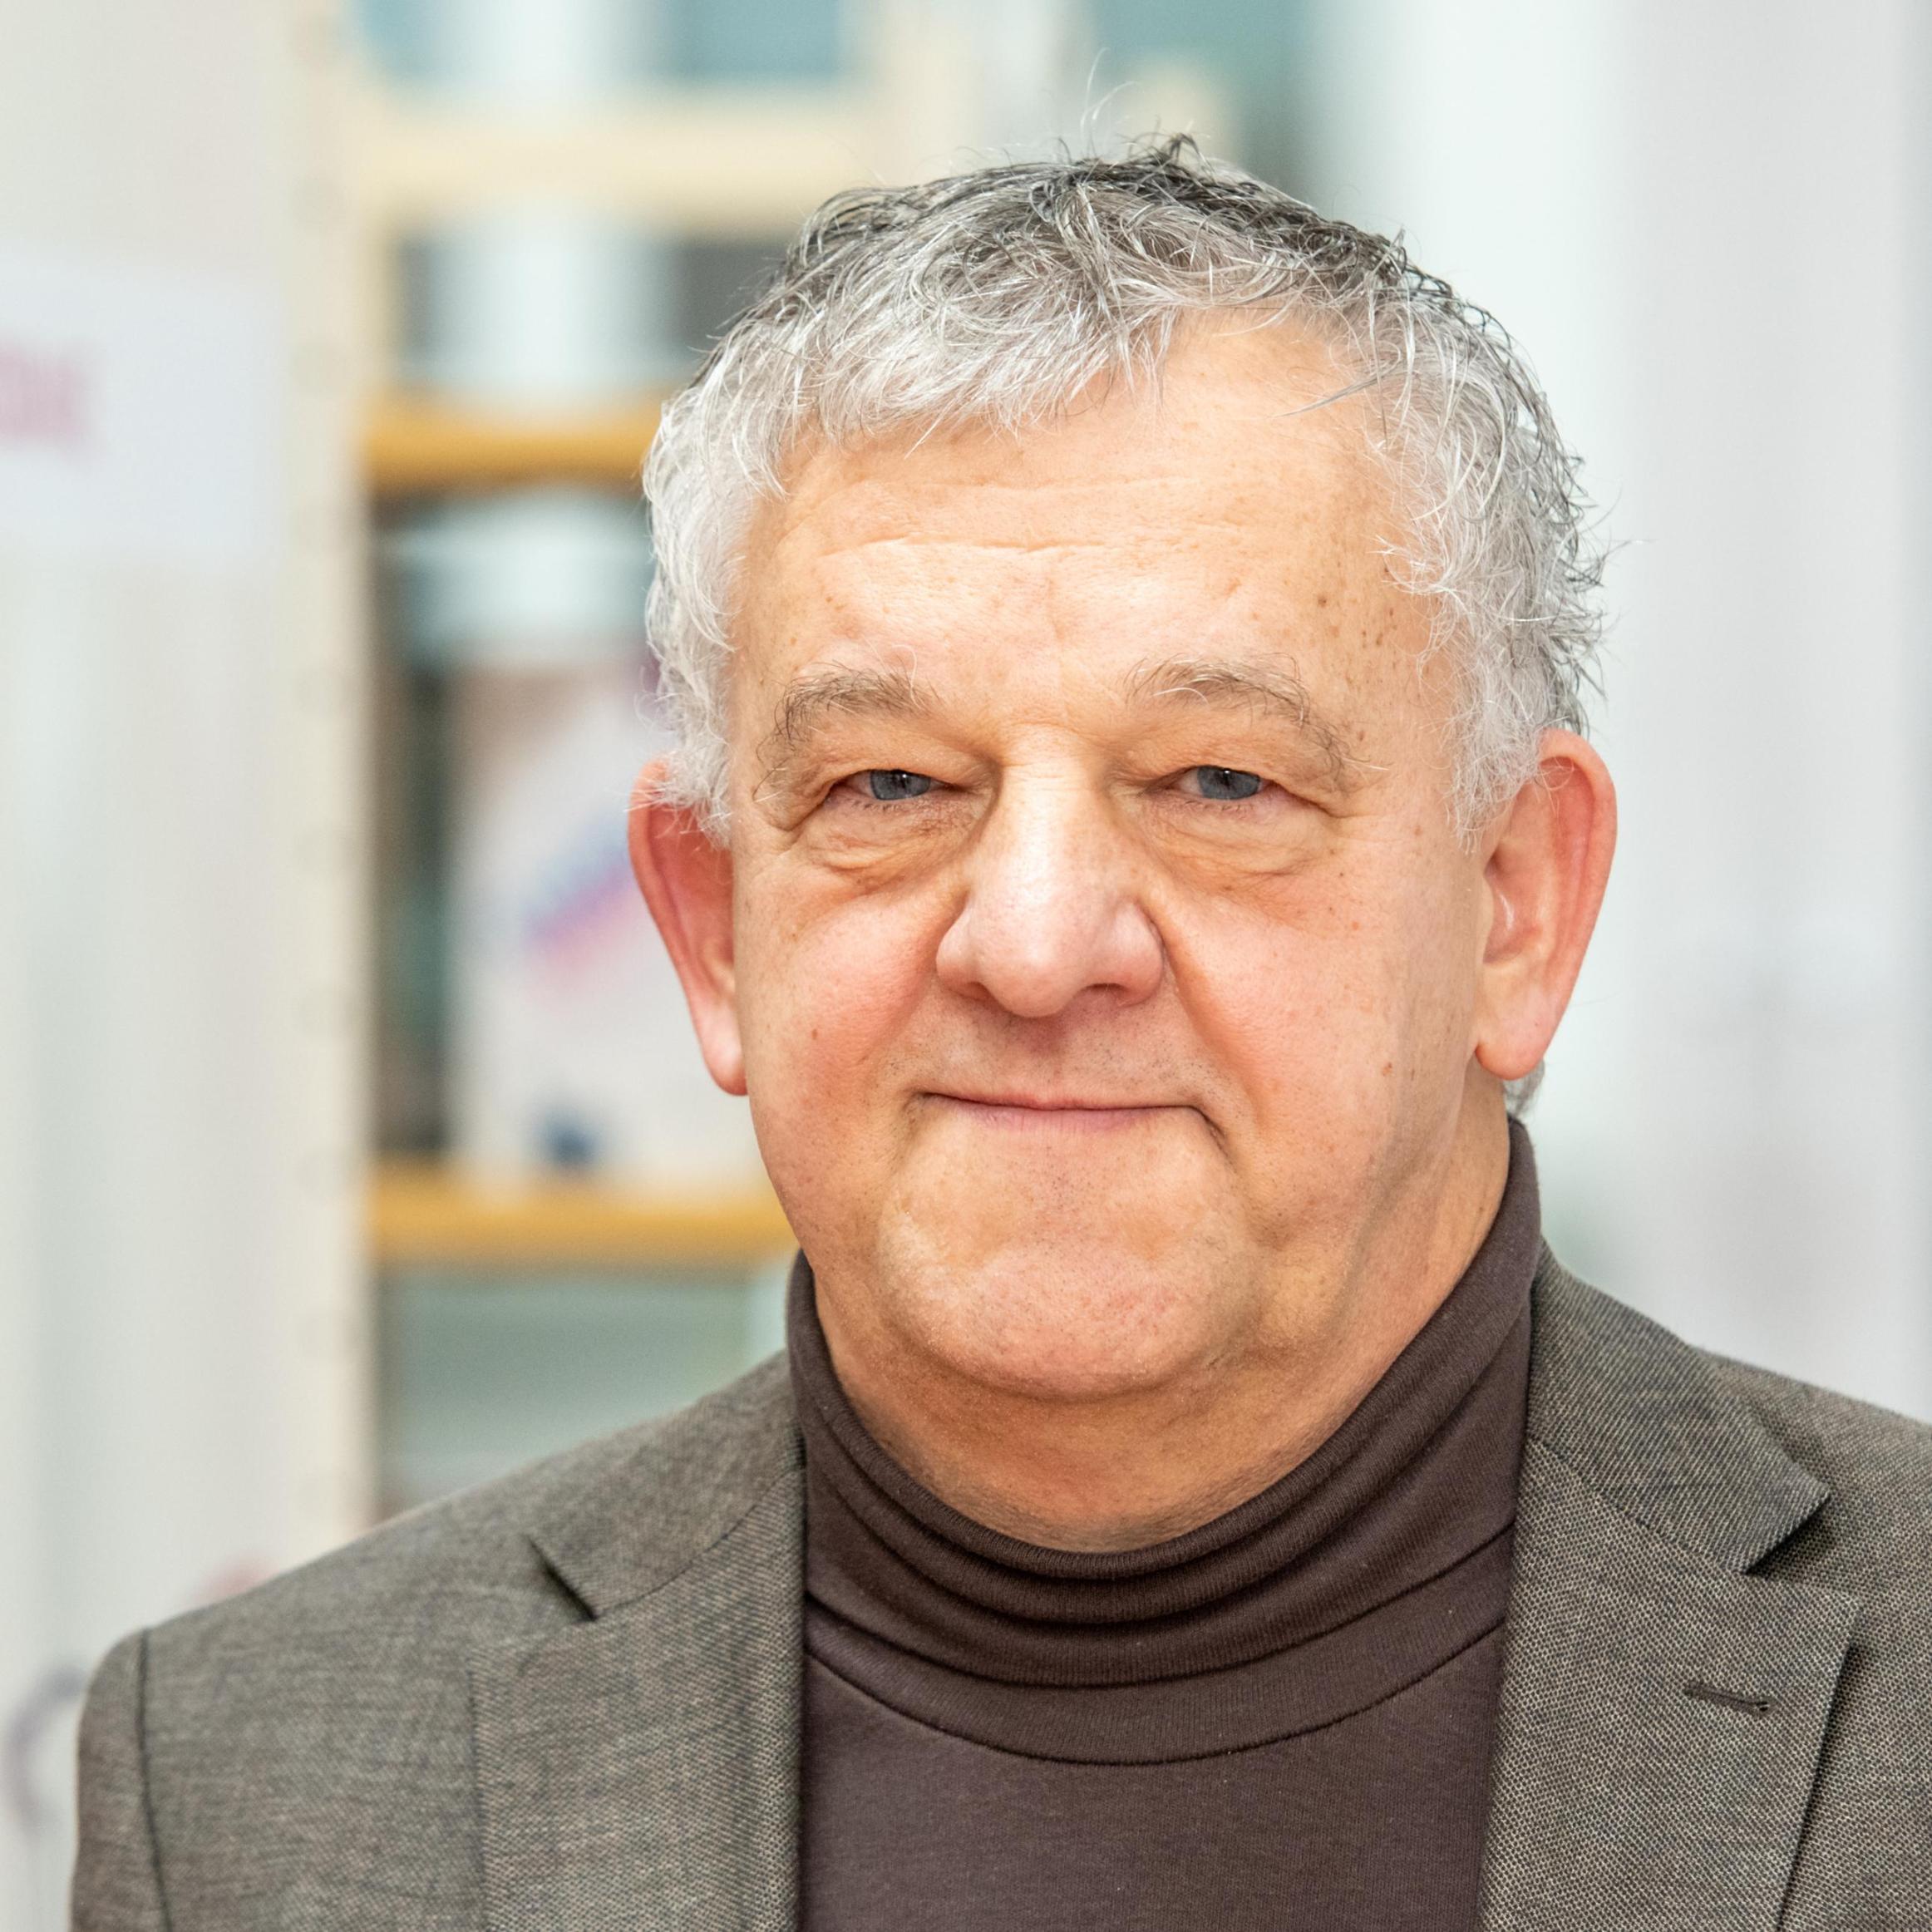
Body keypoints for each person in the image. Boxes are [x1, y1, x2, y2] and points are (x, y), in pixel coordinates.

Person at [73, 143, 1930, 1931]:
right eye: (889, 784)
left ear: (1516, 900)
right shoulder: (259, 1785)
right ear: (711, 927)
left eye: (1218, 781)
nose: (1036, 946)